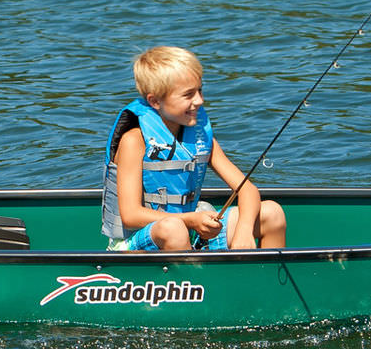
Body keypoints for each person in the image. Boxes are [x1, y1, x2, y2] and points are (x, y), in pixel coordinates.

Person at [101, 46, 286, 252]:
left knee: (272, 213)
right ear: (155, 101)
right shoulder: (134, 141)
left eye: (200, 90)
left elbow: (247, 190)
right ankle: (192, 272)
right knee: (173, 228)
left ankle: (261, 272)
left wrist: (244, 230)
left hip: (189, 228)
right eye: (188, 95)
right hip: (136, 242)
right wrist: (191, 220)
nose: (199, 100)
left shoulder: (200, 137)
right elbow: (130, 215)